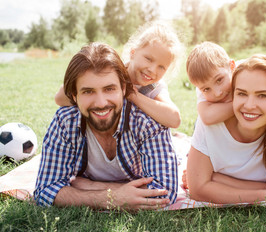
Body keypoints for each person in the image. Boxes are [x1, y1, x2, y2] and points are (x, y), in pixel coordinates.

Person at [34, 42, 178, 210]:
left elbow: (164, 192)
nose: (101, 103)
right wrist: (110, 198)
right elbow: (45, 191)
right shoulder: (66, 121)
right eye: (88, 91)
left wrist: (88, 186)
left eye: (109, 89)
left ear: (124, 89)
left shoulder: (147, 121)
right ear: (75, 95)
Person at [186, 54, 266, 205]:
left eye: (262, 95)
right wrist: (265, 193)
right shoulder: (210, 124)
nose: (249, 105)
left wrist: (217, 179)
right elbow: (197, 190)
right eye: (241, 93)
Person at [55, 21, 184, 128]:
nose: (152, 70)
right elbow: (60, 98)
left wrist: (132, 95)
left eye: (161, 67)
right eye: (148, 59)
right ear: (133, 53)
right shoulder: (112, 71)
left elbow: (174, 119)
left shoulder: (155, 87)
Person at [186, 41, 237, 125]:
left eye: (219, 80)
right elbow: (207, 117)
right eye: (207, 89)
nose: (217, 93)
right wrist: (242, 105)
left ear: (232, 66)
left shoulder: (244, 74)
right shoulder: (201, 88)